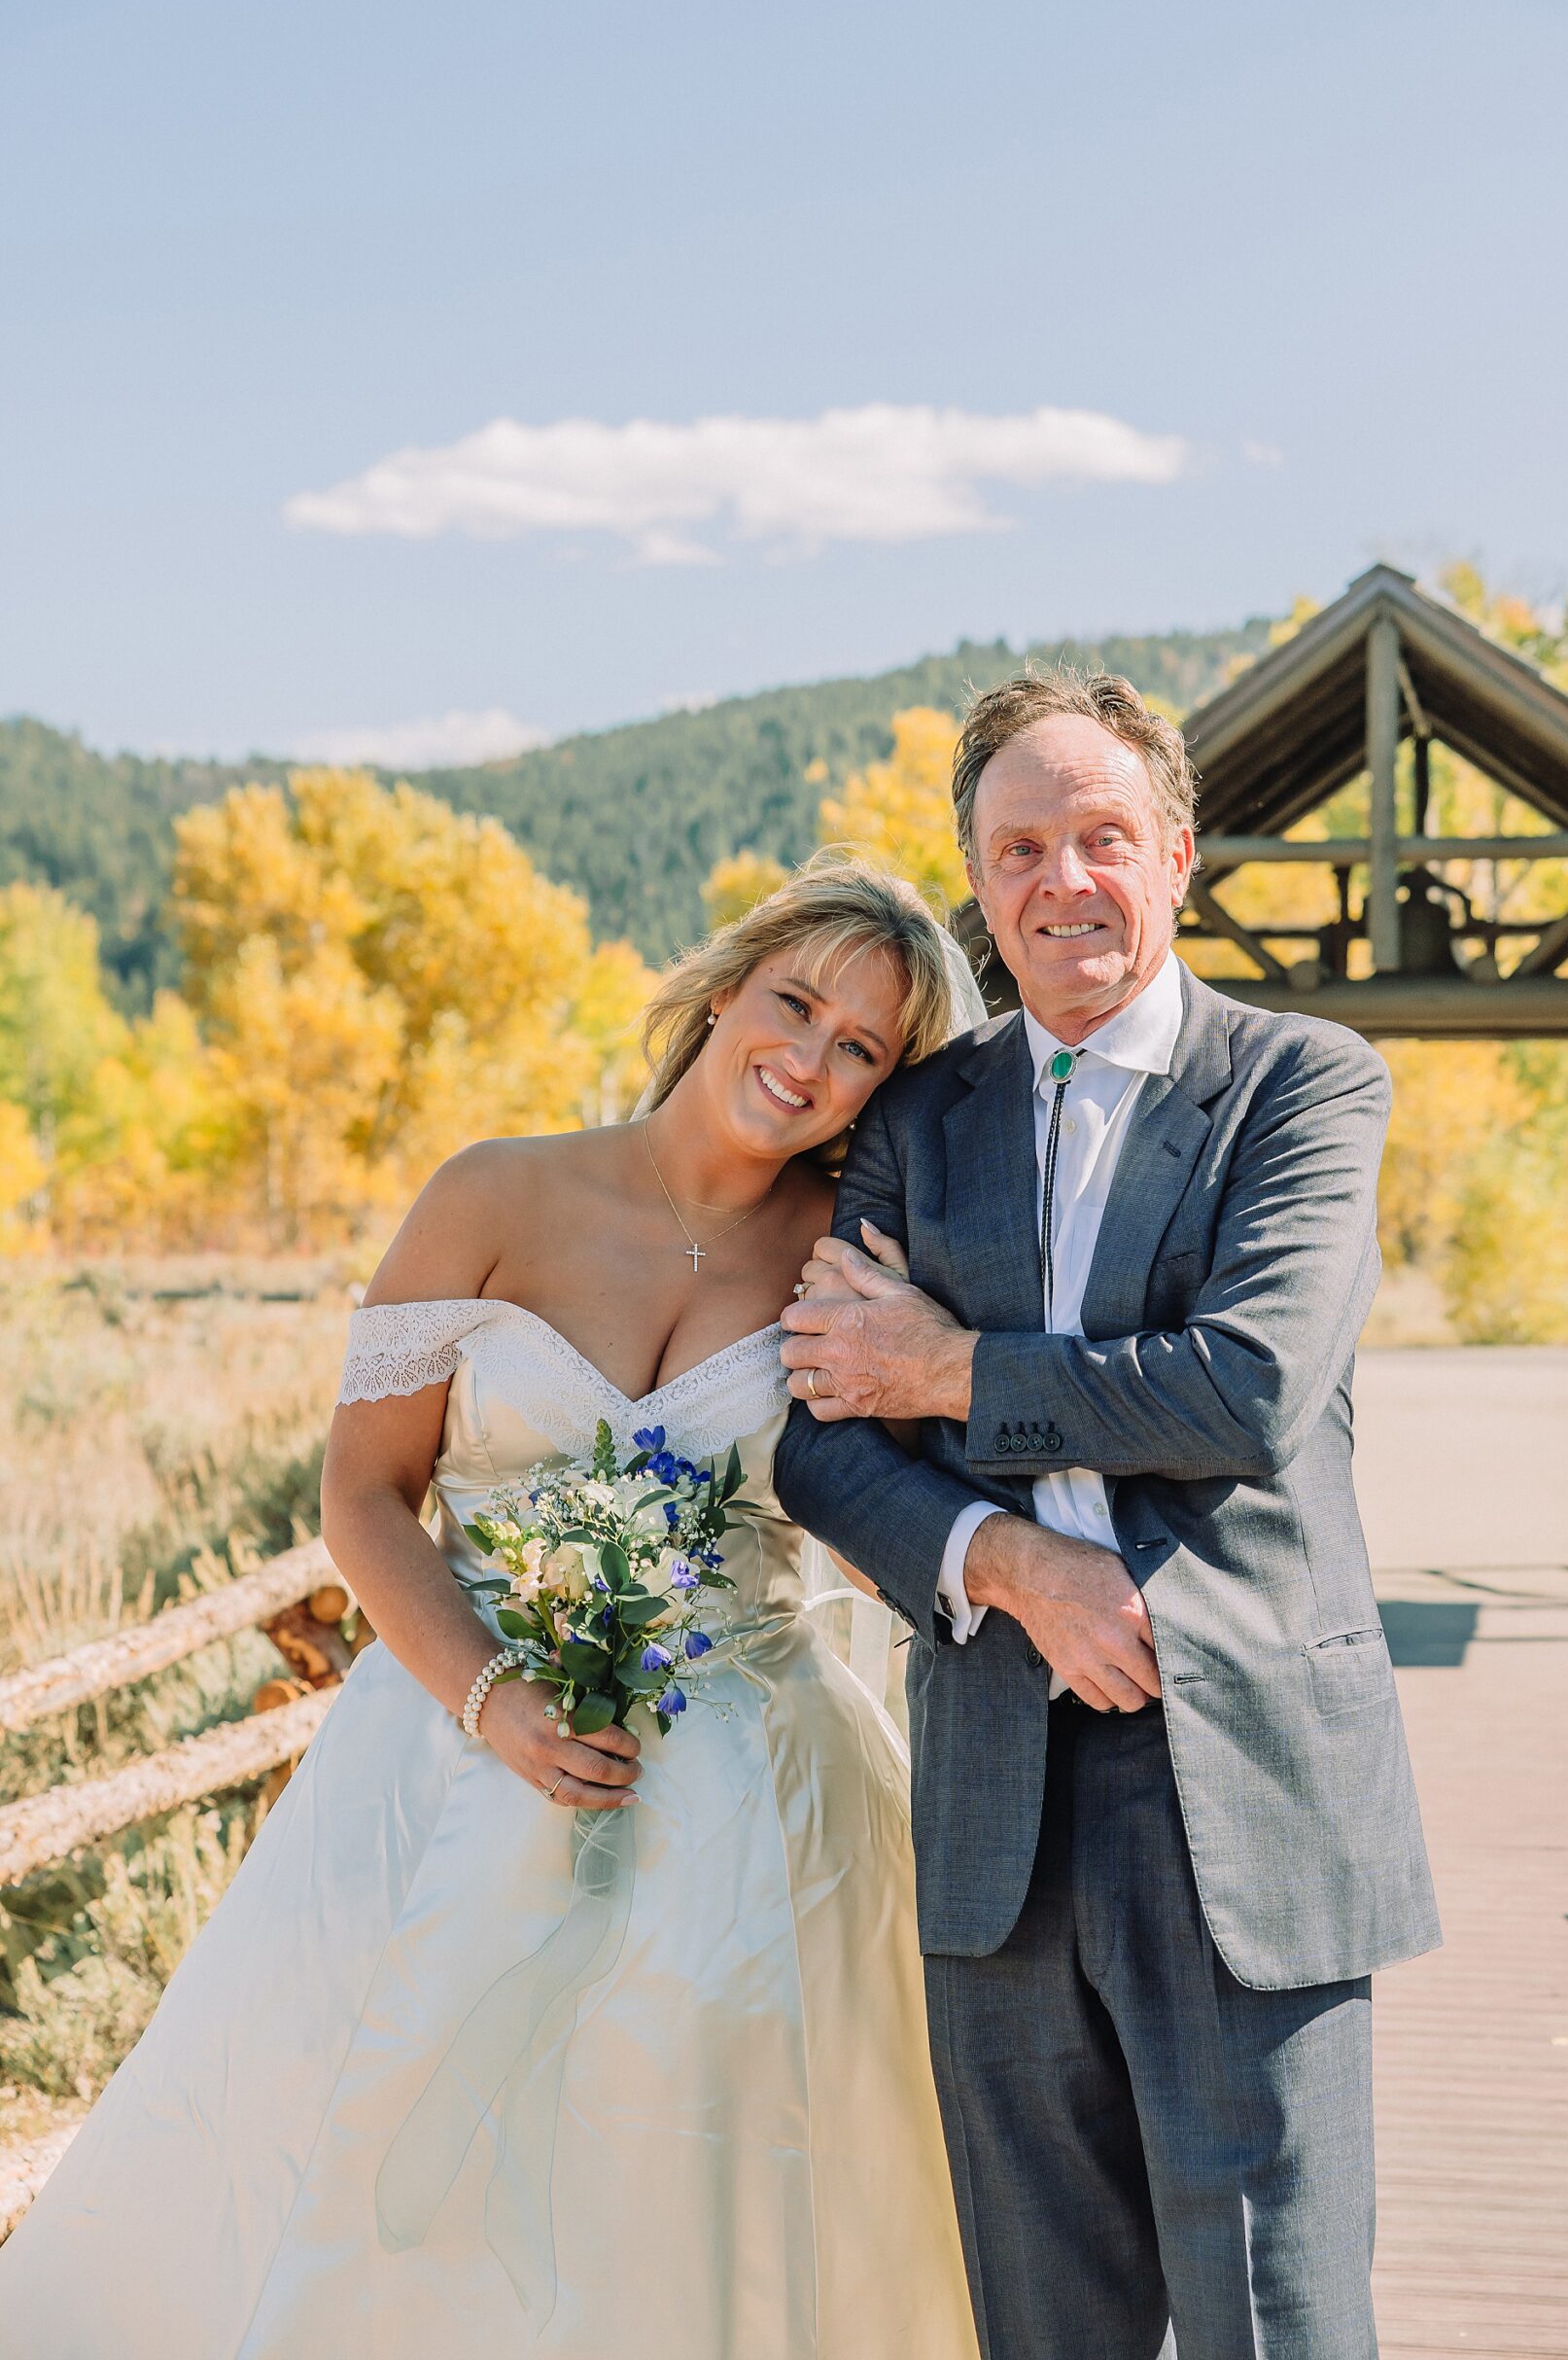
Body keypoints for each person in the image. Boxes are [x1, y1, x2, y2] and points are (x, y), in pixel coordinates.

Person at [0, 856, 981, 2360]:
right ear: (725, 991)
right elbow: (363, 1497)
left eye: (862, 1050)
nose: (810, 1059)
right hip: (446, 1762)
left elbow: (876, 1519)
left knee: (709, 2169)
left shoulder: (853, 1260)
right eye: (796, 1004)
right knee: (376, 2142)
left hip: (757, 1797)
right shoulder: (495, 1195)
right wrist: (488, 1700)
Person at [776, 666, 1442, 2360]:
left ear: (1180, 854)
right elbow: (819, 1436)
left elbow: (1247, 1386)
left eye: (1101, 838)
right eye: (1018, 851)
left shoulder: (1304, 1084)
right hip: (997, 1802)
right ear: (982, 888)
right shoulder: (919, 1120)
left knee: (1271, 2325)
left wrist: (946, 1373)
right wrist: (1016, 1561)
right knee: (1042, 2327)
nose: (1063, 882)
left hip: (1247, 1797)